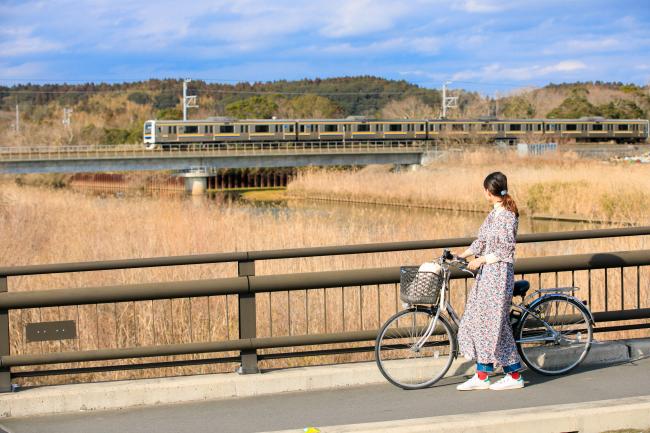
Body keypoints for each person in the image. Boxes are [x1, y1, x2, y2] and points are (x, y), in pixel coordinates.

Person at [454, 171, 524, 391]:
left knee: (492, 323)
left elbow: (505, 251)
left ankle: (509, 375)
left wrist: (480, 260)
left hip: (498, 274)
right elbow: (482, 241)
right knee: (482, 321)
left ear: (488, 191)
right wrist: (462, 255)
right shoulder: (495, 213)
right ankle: (483, 373)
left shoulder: (506, 216)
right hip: (488, 275)